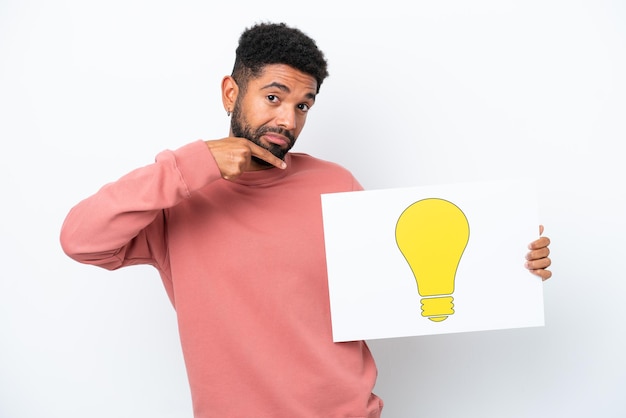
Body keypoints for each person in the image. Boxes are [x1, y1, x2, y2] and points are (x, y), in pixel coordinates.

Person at [60, 22, 552, 418]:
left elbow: (402, 285)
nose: (288, 121)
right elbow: (80, 239)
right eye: (273, 98)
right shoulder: (179, 199)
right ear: (231, 92)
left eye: (303, 105)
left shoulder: (334, 183)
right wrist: (195, 164)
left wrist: (508, 264)